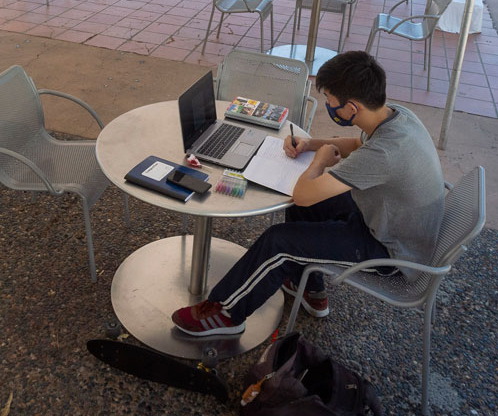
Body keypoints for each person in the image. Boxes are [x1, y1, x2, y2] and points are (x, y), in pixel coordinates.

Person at [172, 51, 445, 337]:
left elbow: (302, 194)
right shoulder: (395, 116)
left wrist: (319, 163)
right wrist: (312, 144)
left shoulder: (386, 153)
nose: (328, 105)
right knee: (310, 205)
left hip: (390, 249)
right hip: (389, 218)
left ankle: (226, 313)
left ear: (352, 107)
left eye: (330, 100)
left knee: (278, 241)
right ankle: (310, 288)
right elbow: (356, 142)